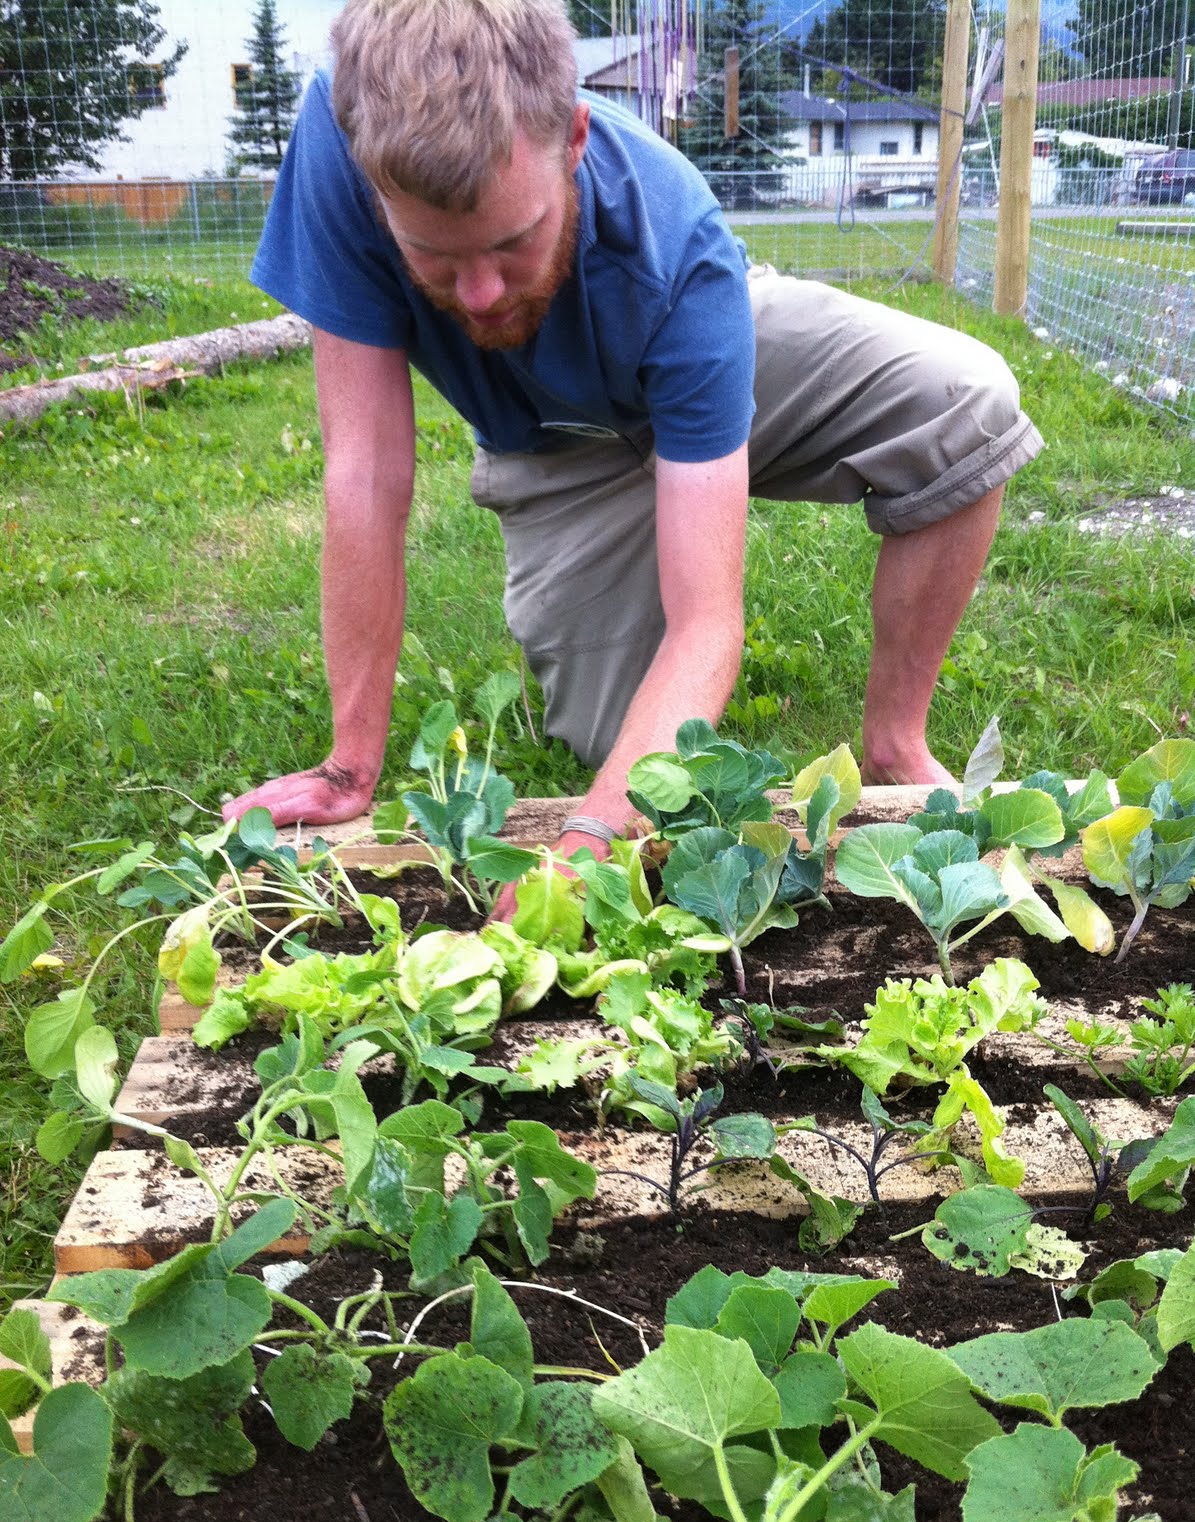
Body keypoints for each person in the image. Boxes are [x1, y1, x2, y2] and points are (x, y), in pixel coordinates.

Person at [223, 0, 1043, 876]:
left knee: (964, 397)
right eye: (435, 256)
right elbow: (365, 473)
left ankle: (895, 746)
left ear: (574, 138)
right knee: (632, 757)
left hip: (691, 347)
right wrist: (351, 765)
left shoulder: (678, 247)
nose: (479, 296)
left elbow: (706, 620)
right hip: (554, 447)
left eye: (512, 242)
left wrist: (588, 843)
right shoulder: (342, 136)